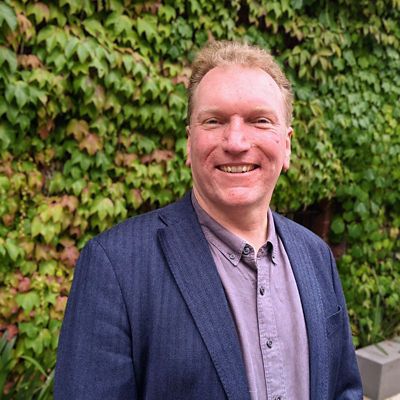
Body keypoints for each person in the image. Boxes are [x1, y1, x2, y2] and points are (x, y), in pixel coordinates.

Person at [55, 41, 362, 400]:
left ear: (287, 145)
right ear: (189, 144)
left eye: (259, 120)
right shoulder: (117, 267)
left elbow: (343, 390)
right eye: (214, 121)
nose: (235, 141)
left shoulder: (315, 256)